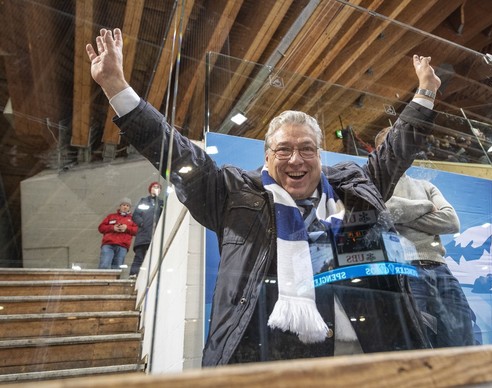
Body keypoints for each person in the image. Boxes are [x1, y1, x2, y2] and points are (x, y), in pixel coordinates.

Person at [86, 28, 441, 366]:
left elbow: (395, 153)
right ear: (267, 157)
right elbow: (178, 155)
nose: (296, 159)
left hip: (374, 354)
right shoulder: (232, 192)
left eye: (306, 149)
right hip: (271, 363)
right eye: (283, 150)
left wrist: (425, 93)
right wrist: (118, 89)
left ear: (320, 155)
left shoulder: (353, 187)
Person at [375, 129, 475, 348]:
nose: (402, 151)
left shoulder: (426, 186)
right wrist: (427, 208)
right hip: (405, 269)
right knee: (419, 336)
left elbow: (451, 221)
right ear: (380, 151)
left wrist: (401, 218)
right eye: (393, 145)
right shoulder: (375, 184)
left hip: (441, 268)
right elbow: (383, 211)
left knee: (462, 335)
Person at [129, 181, 164, 277]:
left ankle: (148, 276)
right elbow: (135, 215)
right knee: (139, 256)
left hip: (155, 235)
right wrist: (142, 223)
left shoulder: (161, 203)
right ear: (150, 189)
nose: (156, 188)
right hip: (143, 234)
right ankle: (133, 275)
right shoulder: (143, 201)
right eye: (154, 187)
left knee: (153, 257)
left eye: (158, 187)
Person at [98, 197, 138, 269]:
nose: (125, 207)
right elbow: (101, 228)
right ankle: (101, 279)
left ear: (130, 208)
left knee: (117, 268)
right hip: (108, 244)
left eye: (127, 205)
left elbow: (137, 231)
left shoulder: (133, 219)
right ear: (120, 206)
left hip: (122, 246)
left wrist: (127, 228)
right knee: (104, 265)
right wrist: (112, 228)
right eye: (123, 205)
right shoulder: (111, 216)